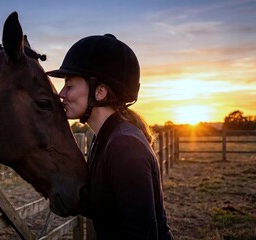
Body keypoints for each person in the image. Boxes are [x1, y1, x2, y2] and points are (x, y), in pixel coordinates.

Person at [47, 34, 173, 239]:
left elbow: (141, 233)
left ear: (100, 92)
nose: (62, 94)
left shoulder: (125, 146)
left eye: (69, 85)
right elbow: (108, 206)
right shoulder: (103, 138)